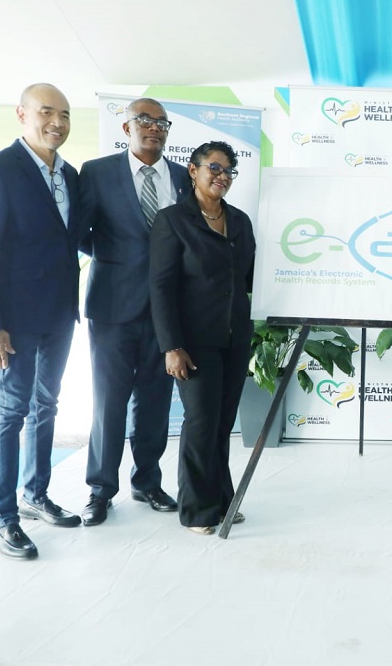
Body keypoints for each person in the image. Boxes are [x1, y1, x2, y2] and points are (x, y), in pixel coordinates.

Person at [0, 83, 85, 559]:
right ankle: (4, 517)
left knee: (47, 405)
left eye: (66, 115)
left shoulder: (69, 174)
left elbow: (72, 239)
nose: (57, 122)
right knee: (12, 411)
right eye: (47, 112)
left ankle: (36, 496)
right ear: (22, 114)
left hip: (59, 315)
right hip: (10, 321)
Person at [78, 98, 191, 526]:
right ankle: (100, 490)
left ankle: (147, 481)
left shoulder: (183, 177)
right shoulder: (97, 172)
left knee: (156, 400)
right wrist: (119, 261)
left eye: (162, 122)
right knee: (109, 401)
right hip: (112, 306)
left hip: (166, 311)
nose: (154, 128)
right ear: (126, 127)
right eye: (144, 120)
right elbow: (82, 234)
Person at [149, 141, 255, 535]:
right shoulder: (173, 220)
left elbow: (249, 277)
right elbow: (160, 287)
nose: (222, 176)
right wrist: (171, 346)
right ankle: (196, 511)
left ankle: (222, 500)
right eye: (214, 167)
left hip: (234, 337)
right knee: (200, 423)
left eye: (229, 171)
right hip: (192, 342)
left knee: (223, 424)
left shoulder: (240, 221)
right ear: (193, 171)